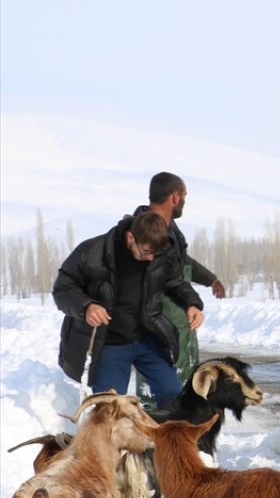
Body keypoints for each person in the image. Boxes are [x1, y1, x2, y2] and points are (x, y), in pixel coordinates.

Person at [54, 212, 205, 408]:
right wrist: (86, 306)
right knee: (111, 408)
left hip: (148, 338)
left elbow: (174, 282)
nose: (151, 259)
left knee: (173, 397)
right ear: (130, 237)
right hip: (109, 343)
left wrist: (191, 303)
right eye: (145, 252)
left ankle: (162, 438)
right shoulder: (92, 252)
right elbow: (63, 288)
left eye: (155, 255)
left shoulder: (159, 251)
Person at [134, 172, 225, 401]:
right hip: (157, 325)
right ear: (175, 197)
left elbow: (182, 262)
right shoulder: (141, 232)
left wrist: (210, 279)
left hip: (179, 321)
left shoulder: (171, 230)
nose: (185, 201)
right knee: (156, 393)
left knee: (182, 387)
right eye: (184, 196)